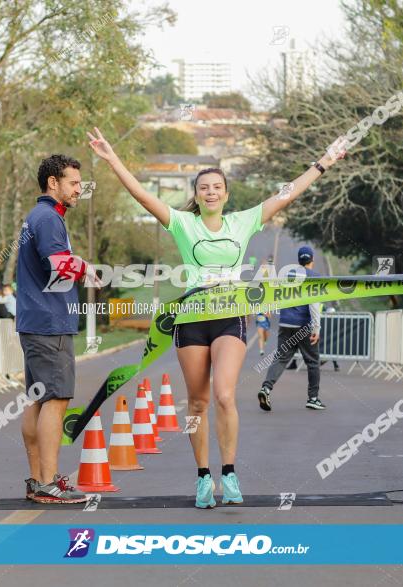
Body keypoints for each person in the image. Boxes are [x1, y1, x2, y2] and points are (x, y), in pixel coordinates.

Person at [89, 126, 344, 508]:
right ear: (196, 194)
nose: (210, 192)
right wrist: (113, 160)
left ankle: (229, 472)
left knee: (225, 395)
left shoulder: (243, 222)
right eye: (203, 187)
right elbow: (141, 194)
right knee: (196, 404)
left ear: (226, 194)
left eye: (216, 187)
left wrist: (324, 162)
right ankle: (203, 477)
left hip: (229, 317)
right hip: (192, 319)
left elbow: (286, 194)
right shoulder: (182, 223)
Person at [17, 154, 98, 504]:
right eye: (74, 183)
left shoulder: (39, 216)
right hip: (50, 322)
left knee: (37, 398)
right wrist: (85, 267)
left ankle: (38, 480)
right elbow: (58, 265)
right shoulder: (48, 218)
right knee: (57, 398)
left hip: (36, 320)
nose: (79, 189)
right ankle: (49, 481)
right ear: (54, 183)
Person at [258, 246, 325, 411]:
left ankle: (266, 388)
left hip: (286, 323)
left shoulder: (288, 275)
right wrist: (316, 328)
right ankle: (313, 398)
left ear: (299, 260)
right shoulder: (314, 276)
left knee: (280, 359)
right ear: (312, 260)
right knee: (312, 362)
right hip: (304, 325)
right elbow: (314, 304)